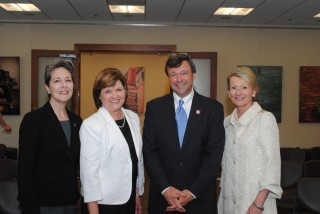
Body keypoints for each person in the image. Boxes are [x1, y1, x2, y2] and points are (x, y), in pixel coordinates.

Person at [143, 53, 225, 213]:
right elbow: (149, 152)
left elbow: (214, 155)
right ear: (168, 78)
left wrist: (192, 192)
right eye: (173, 74)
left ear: (193, 75)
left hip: (199, 200)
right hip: (163, 200)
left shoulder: (213, 109)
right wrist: (166, 189)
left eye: (183, 73)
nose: (178, 79)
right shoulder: (154, 108)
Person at [17, 60, 82, 214]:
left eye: (68, 80)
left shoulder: (77, 121)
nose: (64, 85)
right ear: (47, 87)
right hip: (43, 204)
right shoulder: (33, 120)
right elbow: (24, 172)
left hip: (70, 202)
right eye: (57, 81)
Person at [218, 67, 283, 214]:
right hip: (228, 203)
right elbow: (225, 166)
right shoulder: (226, 123)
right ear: (229, 93)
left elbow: (272, 165)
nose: (238, 92)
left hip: (255, 202)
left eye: (244, 87)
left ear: (254, 91)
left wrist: (258, 204)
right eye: (233, 88)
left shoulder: (265, 119)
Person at [80, 68, 144, 214]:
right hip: (104, 203)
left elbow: (136, 160)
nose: (114, 95)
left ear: (125, 91)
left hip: (130, 198)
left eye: (119, 89)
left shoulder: (133, 118)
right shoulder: (91, 125)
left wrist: (137, 194)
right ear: (99, 95)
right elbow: (89, 175)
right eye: (108, 91)